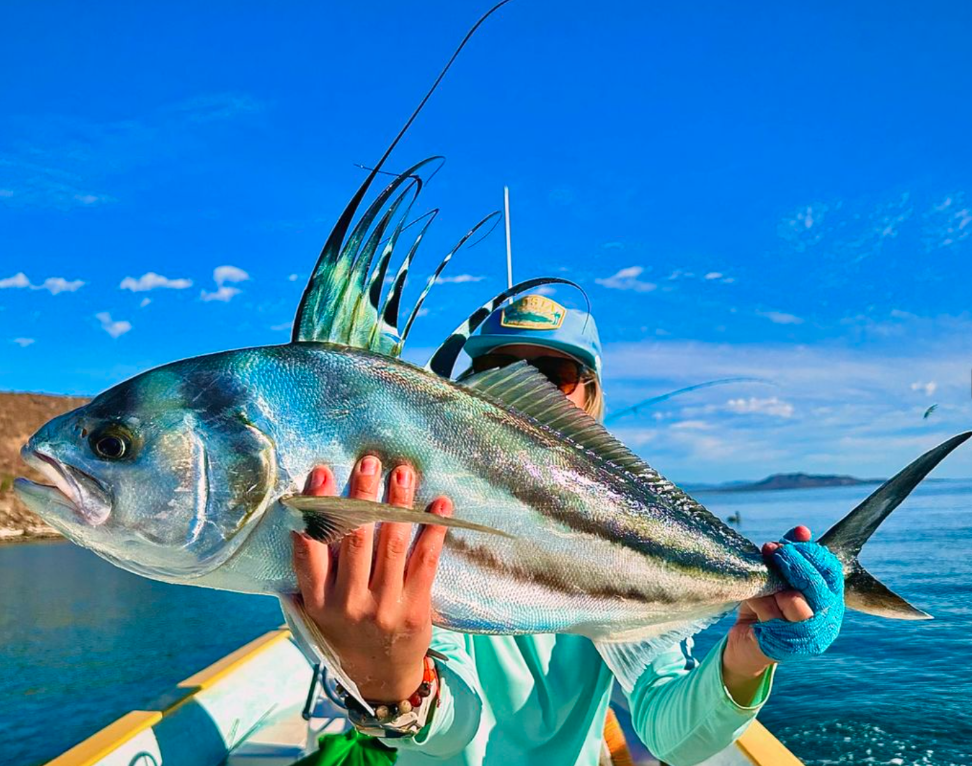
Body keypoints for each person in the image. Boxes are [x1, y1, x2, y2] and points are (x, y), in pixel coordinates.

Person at [291, 294, 843, 766]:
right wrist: (393, 685)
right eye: (499, 370)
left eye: (552, 376)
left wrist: (749, 655)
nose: (522, 389)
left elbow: (668, 732)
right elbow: (457, 731)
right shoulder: (415, 513)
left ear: (589, 398)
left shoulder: (635, 531)